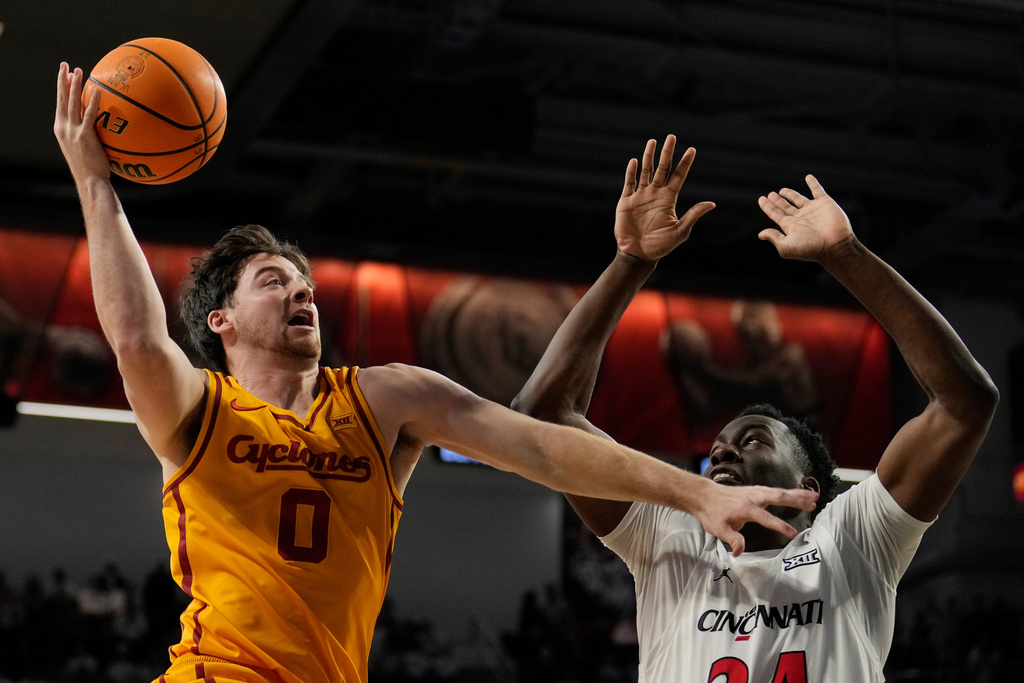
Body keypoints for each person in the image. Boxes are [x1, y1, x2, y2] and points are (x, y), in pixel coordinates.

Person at [52, 66, 818, 683]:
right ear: (220, 321)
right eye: (271, 279)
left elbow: (542, 446)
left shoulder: (384, 398)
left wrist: (699, 491)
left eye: (304, 279)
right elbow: (137, 340)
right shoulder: (199, 408)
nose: (302, 290)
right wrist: (95, 182)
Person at [512, 135, 999, 681]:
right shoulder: (669, 537)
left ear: (808, 486)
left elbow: (965, 404)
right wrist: (629, 262)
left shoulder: (852, 538)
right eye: (717, 447)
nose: (722, 452)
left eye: (751, 441)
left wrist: (845, 256)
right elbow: (541, 414)